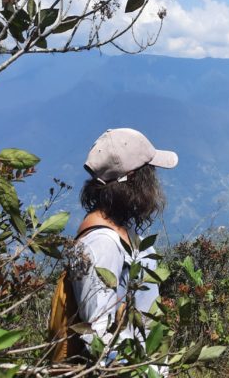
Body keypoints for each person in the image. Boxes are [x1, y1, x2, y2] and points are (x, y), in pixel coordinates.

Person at [69, 128, 177, 357]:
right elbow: (96, 334)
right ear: (136, 180)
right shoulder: (102, 243)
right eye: (151, 172)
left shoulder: (120, 231)